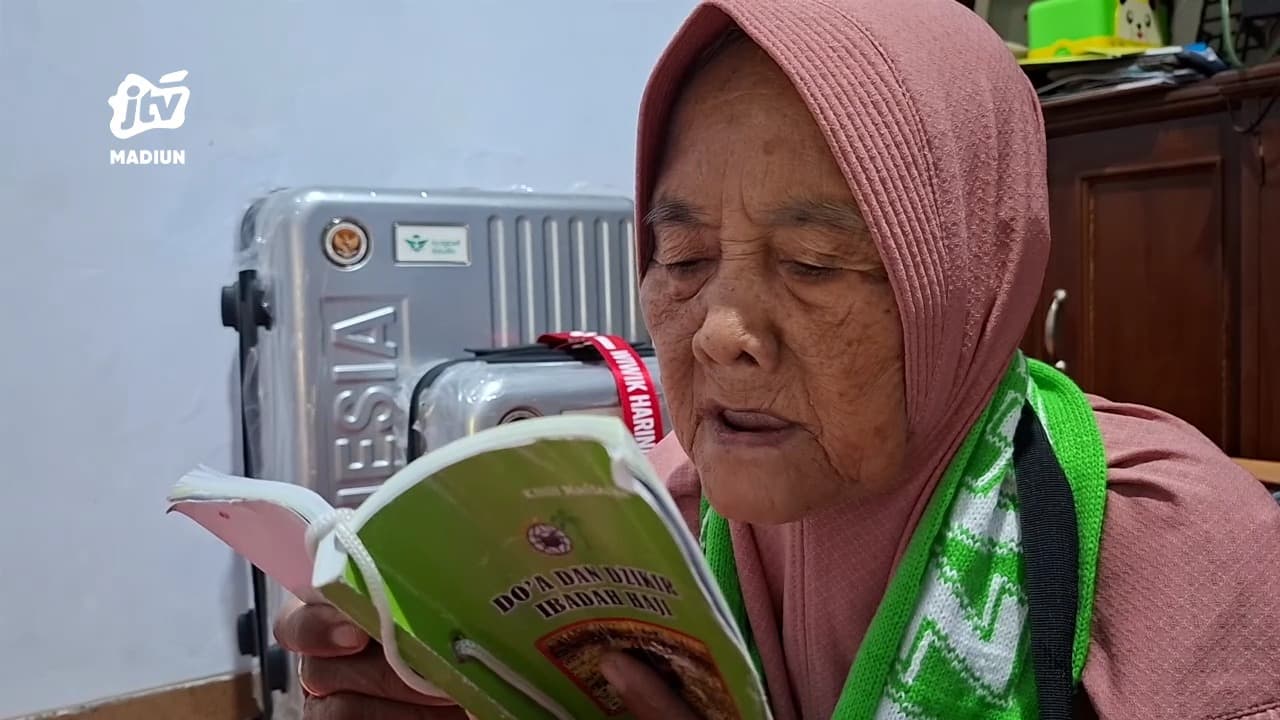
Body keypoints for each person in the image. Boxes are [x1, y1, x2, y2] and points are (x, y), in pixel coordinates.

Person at [274, 0, 1280, 717]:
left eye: (812, 262)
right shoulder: (645, 525)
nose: (716, 332)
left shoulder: (1167, 551)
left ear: (974, 282)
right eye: (680, 258)